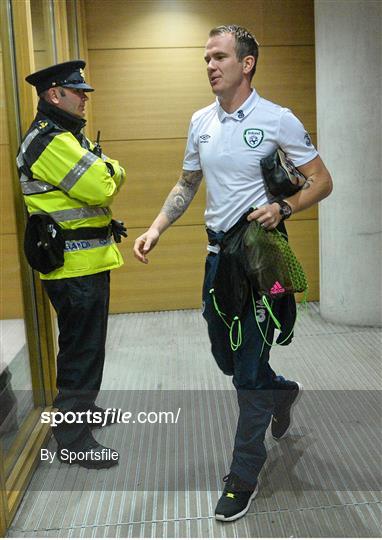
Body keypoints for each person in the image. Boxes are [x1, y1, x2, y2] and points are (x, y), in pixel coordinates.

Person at [134, 25, 332, 521]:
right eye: (206, 58)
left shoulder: (276, 120)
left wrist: (285, 207)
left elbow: (322, 181)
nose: (210, 66)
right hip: (218, 258)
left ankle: (243, 474)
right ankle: (281, 391)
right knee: (228, 359)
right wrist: (156, 228)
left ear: (247, 64)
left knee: (246, 372)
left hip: (263, 259)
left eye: (219, 57)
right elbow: (188, 182)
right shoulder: (200, 121)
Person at [18, 60, 126, 469]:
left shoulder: (67, 136)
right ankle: (72, 438)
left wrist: (109, 170)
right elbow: (102, 183)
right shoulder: (49, 141)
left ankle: (83, 413)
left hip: (88, 262)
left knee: (88, 346)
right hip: (73, 267)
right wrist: (109, 171)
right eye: (77, 91)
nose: (84, 98)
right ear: (53, 94)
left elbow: (110, 173)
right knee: (80, 351)